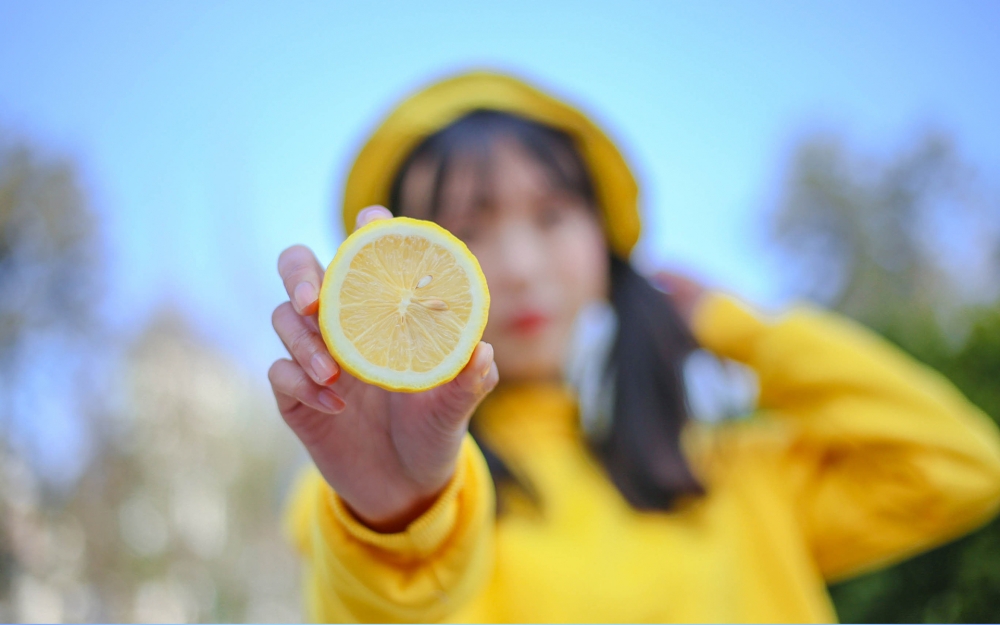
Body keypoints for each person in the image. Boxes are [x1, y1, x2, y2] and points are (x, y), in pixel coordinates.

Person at [268, 71, 1000, 623]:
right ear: (401, 266)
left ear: (607, 245)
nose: (520, 266)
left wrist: (737, 328)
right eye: (469, 228)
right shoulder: (373, 501)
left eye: (553, 216)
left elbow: (959, 463)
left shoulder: (729, 473)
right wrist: (400, 516)